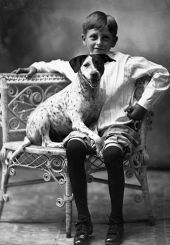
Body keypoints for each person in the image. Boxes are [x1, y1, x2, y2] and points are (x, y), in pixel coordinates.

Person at [13, 11, 169, 245]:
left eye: (105, 37)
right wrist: (35, 67)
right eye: (93, 36)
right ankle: (83, 222)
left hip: (119, 128)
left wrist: (142, 107)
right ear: (84, 38)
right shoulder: (81, 64)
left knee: (112, 152)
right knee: (74, 147)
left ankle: (116, 221)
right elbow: (55, 64)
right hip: (88, 128)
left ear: (114, 41)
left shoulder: (126, 63)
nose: (99, 42)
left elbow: (162, 74)